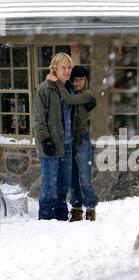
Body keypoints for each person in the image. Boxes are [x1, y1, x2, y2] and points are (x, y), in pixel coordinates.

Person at [46, 66, 98, 222]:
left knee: (85, 179)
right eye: (75, 80)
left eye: (81, 79)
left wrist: (58, 83)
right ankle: (76, 209)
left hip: (82, 141)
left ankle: (90, 208)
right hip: (68, 140)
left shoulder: (87, 94)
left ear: (85, 80)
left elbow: (69, 99)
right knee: (72, 179)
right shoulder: (69, 91)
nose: (78, 82)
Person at [32, 52, 74, 220]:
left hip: (67, 145)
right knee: (50, 187)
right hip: (50, 145)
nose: (67, 71)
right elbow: (38, 119)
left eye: (69, 67)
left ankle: (61, 218)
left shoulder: (68, 90)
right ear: (55, 68)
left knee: (63, 186)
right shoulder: (44, 89)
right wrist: (45, 140)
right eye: (63, 67)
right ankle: (46, 220)